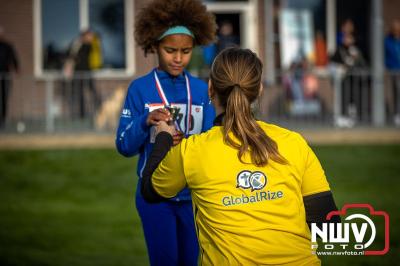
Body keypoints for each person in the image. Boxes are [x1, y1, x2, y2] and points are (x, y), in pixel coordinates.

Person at [141, 47, 339, 265]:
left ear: (210, 89)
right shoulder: (294, 142)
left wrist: (164, 137)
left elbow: (150, 190)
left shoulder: (192, 151)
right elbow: (328, 226)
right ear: (259, 89)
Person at [115, 0, 216, 265]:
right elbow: (124, 145)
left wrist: (191, 142)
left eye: (186, 51)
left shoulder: (201, 90)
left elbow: (210, 145)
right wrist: (145, 121)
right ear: (154, 46)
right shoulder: (140, 89)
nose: (179, 58)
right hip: (155, 196)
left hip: (193, 197)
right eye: (170, 50)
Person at [64, 30, 102, 120]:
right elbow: (70, 55)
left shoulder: (89, 46)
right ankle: (82, 115)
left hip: (86, 73)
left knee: (92, 91)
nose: (90, 38)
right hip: (78, 74)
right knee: (80, 94)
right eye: (89, 36)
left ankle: (100, 108)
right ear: (84, 36)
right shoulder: (78, 45)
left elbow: (78, 56)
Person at [0, 26, 19, 128]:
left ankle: (3, 120)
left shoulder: (7, 46)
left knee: (4, 98)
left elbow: (14, 58)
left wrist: (17, 69)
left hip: (5, 76)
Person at [384, 19, 400, 126]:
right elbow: (385, 56)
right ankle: (397, 114)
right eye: (395, 28)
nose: (396, 30)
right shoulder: (387, 41)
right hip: (394, 70)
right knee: (397, 91)